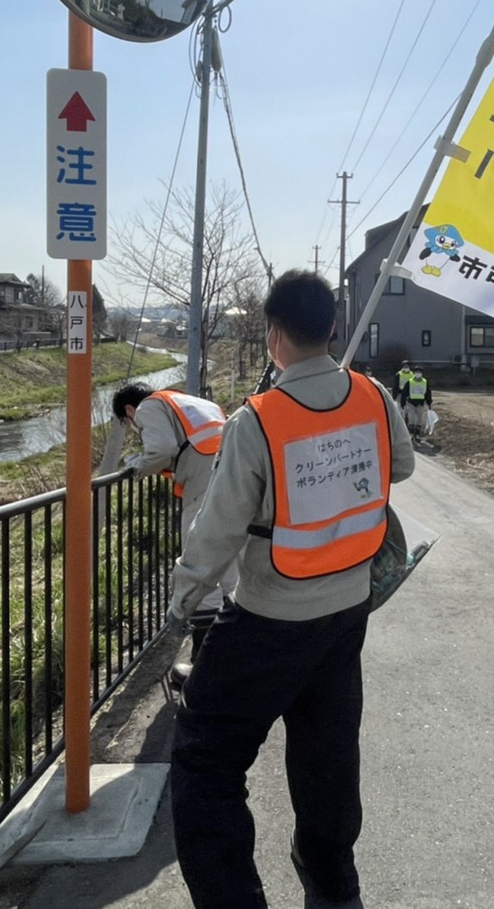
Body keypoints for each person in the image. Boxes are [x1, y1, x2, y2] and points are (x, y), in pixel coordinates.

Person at [168, 270, 416, 909]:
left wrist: (183, 599)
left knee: (204, 762)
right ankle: (334, 891)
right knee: (327, 755)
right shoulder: (373, 396)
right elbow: (404, 465)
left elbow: (217, 528)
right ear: (333, 328)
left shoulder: (260, 419)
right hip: (347, 609)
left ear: (274, 335)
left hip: (269, 618)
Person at [99, 381, 229, 663]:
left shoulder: (149, 407)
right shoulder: (188, 401)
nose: (133, 426)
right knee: (229, 556)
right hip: (230, 470)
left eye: (127, 421)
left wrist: (137, 467)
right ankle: (232, 643)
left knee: (199, 556)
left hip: (203, 478)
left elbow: (161, 449)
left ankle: (205, 655)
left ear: (130, 410)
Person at [400, 365, 432, 440]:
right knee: (411, 418)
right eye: (417, 372)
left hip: (420, 403)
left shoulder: (425, 382)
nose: (418, 373)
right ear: (414, 373)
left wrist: (429, 403)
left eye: (419, 372)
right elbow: (405, 393)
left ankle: (417, 434)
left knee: (419, 420)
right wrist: (403, 402)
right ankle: (411, 434)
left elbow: (428, 393)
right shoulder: (409, 382)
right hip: (411, 403)